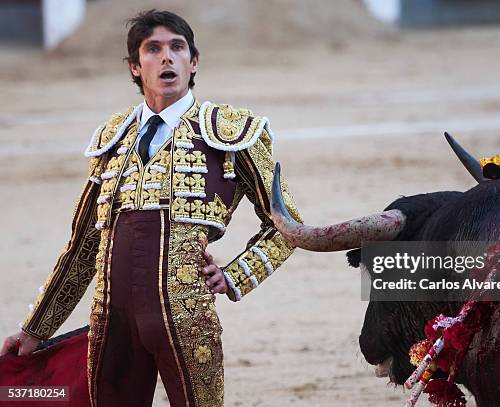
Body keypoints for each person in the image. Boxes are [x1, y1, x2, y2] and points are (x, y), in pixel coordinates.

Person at [0, 9, 301, 407]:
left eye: (177, 48)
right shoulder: (113, 138)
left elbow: (287, 224)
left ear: (193, 63)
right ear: (135, 67)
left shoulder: (230, 132)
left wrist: (234, 276)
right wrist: (37, 327)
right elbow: (83, 247)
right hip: (111, 322)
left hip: (185, 317)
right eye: (153, 49)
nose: (166, 58)